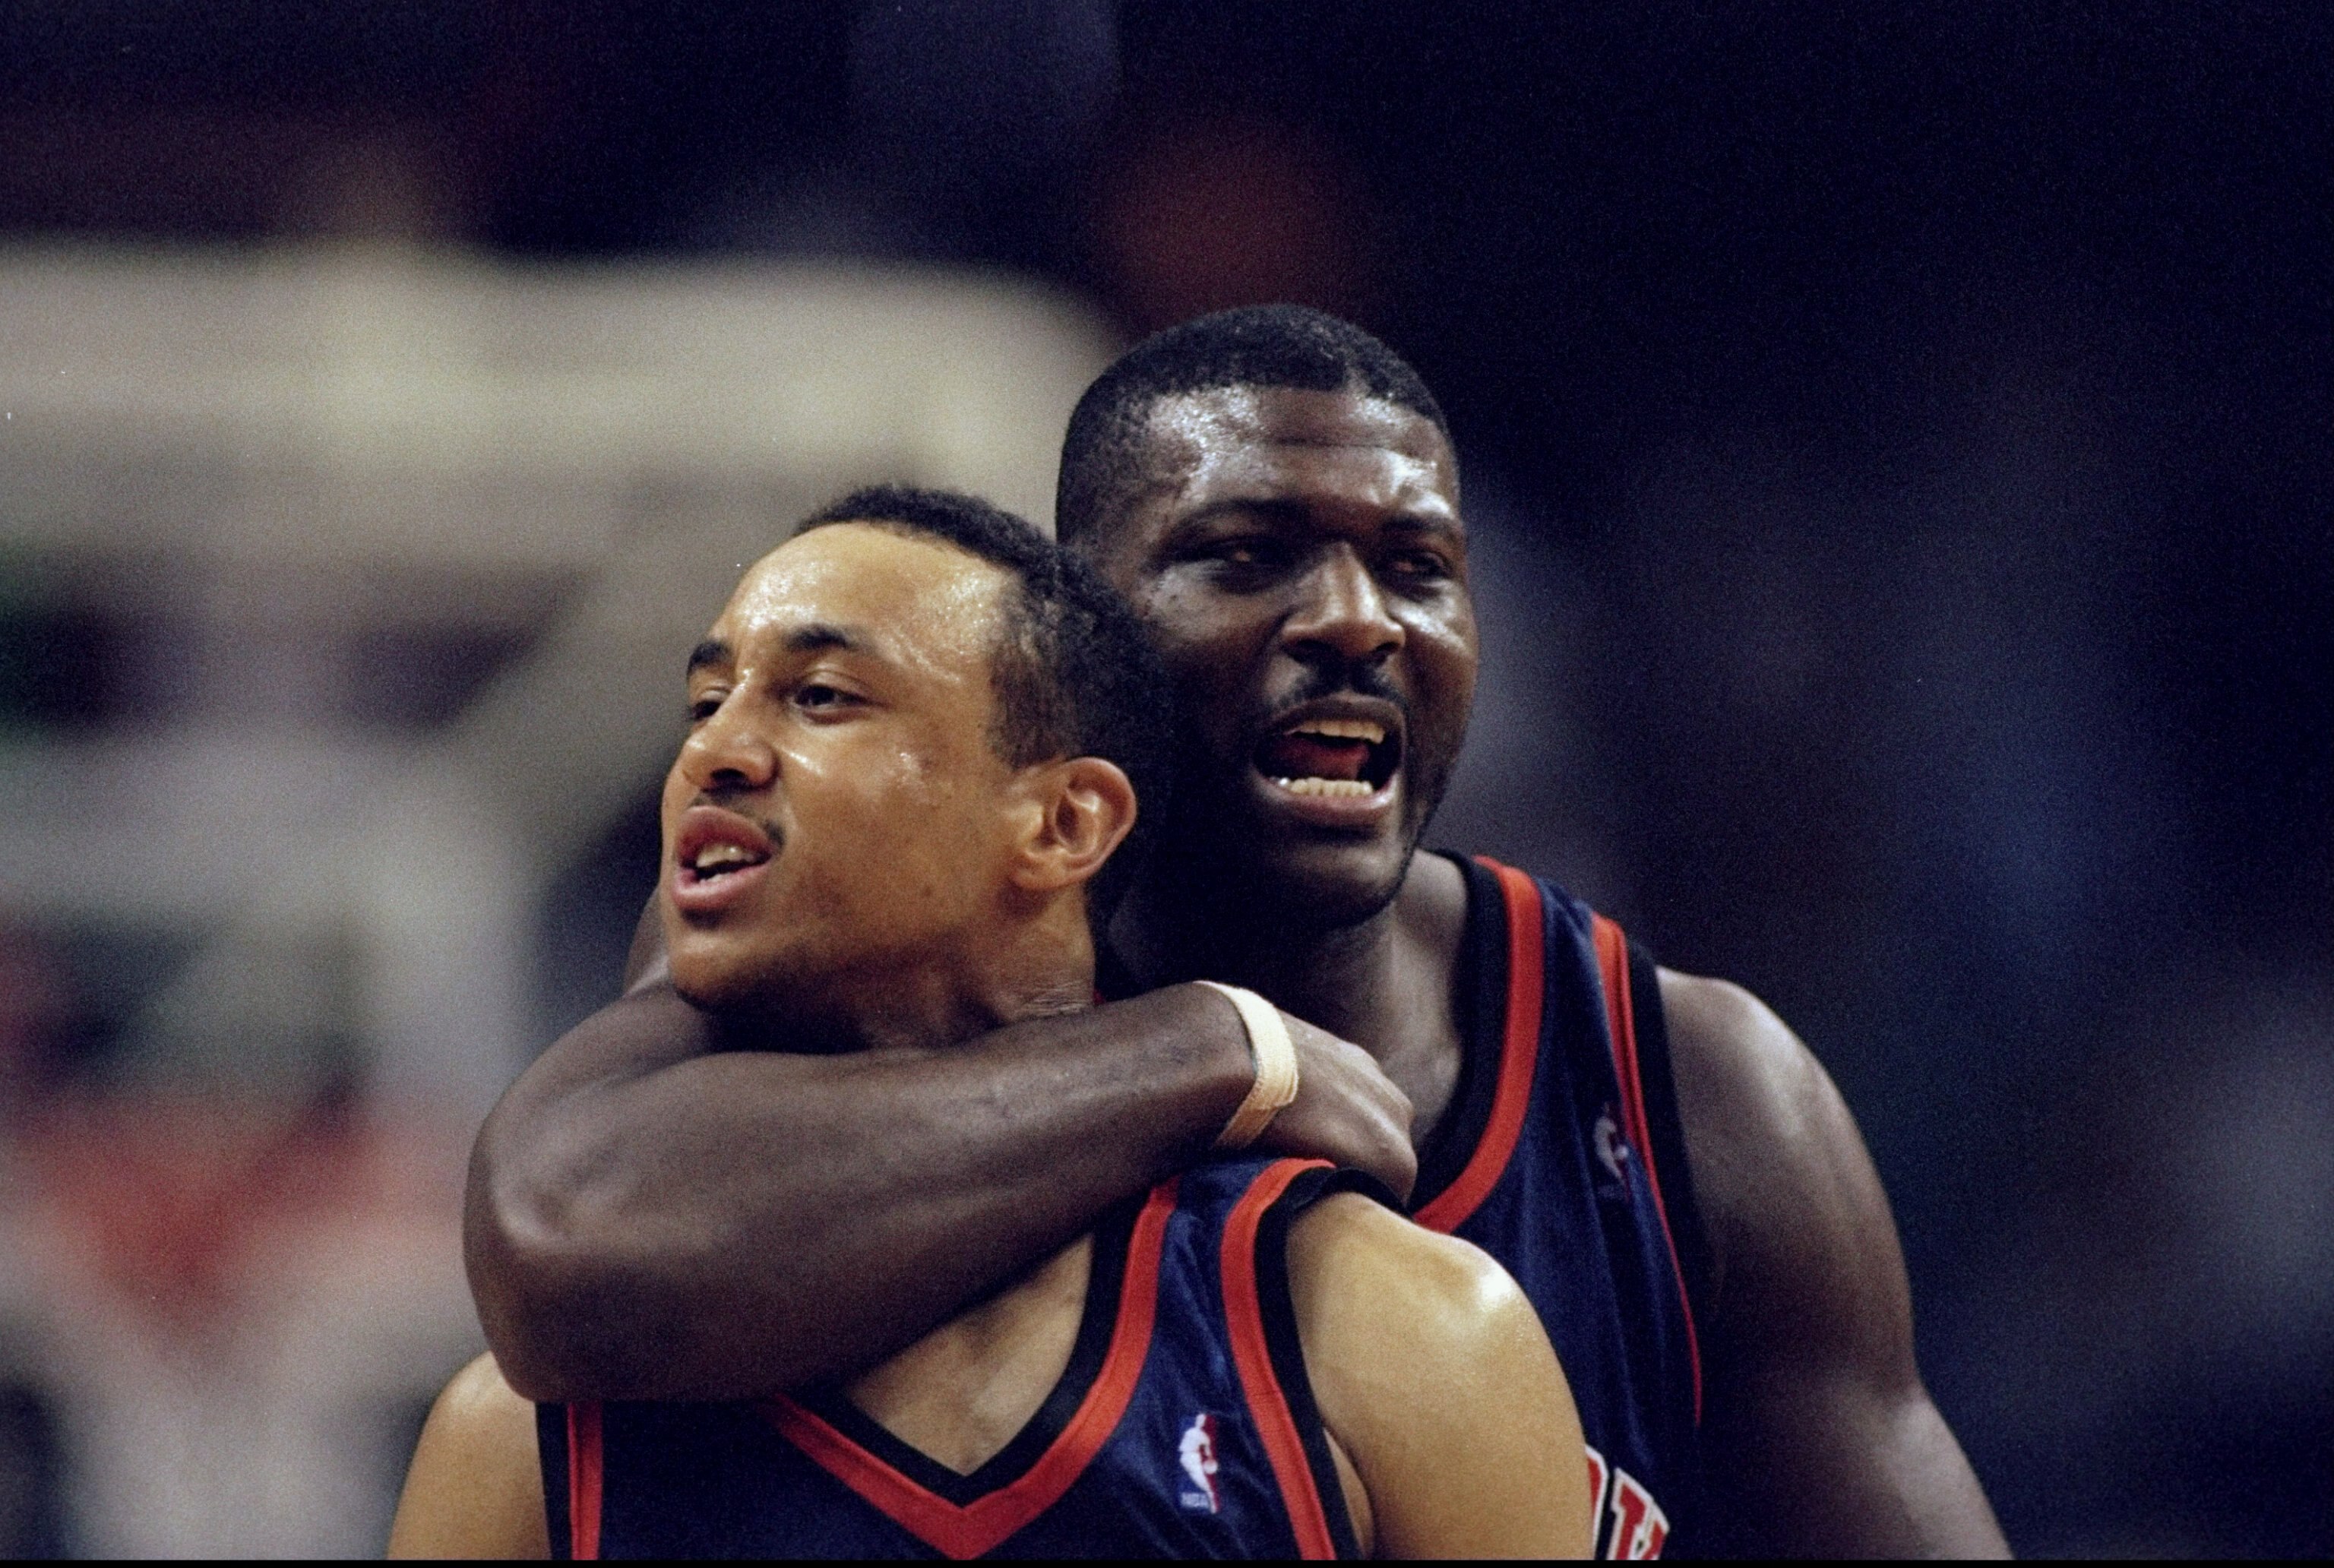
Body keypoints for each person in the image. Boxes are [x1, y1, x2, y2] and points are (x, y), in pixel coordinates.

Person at [466, 310, 2009, 1557]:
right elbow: (560, 1251)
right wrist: (1213, 1057)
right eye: (1245, 553)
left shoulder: (1691, 1088)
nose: (1357, 619)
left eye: (1419, 568)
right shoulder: (858, 950)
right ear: (1075, 637)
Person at [393, 488, 1592, 1558]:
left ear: (1065, 825)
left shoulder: (1397, 1337)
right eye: (707, 699)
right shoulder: (523, 1442)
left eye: (820, 697)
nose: (716, 747)